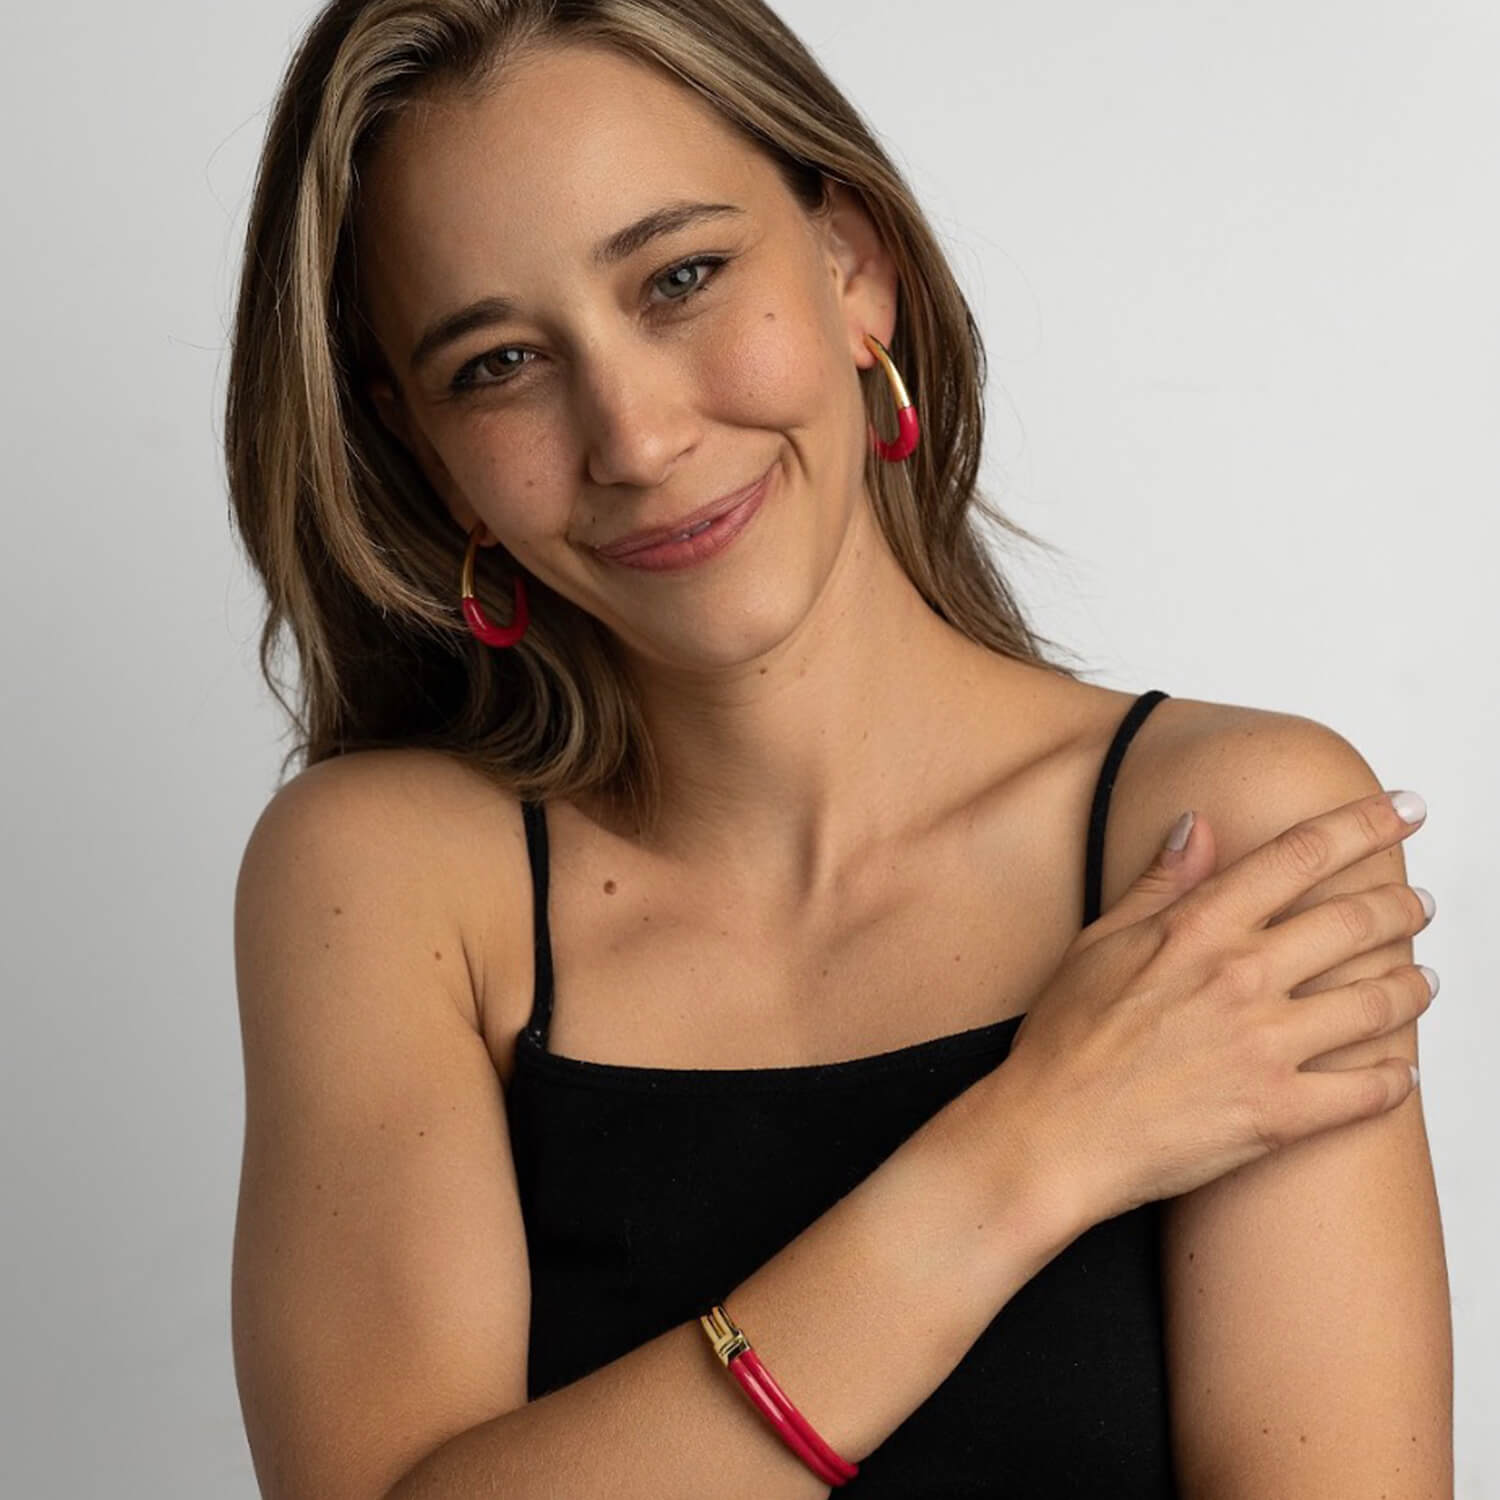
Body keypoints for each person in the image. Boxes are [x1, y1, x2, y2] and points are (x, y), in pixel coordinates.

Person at [225, 3, 1452, 1496]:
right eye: (496, 365)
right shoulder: (391, 884)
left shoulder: (1218, 839)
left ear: (852, 268)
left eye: (679, 277)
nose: (636, 435)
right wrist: (1027, 1149)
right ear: (425, 448)